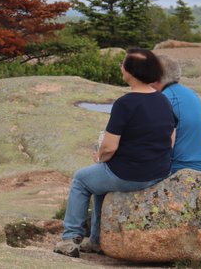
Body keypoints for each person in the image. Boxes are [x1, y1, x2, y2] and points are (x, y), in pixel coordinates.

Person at [55, 48, 176, 258]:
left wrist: (100, 159)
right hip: (158, 170)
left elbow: (110, 147)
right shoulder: (162, 99)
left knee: (81, 180)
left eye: (123, 63)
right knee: (99, 183)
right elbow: (171, 137)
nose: (121, 66)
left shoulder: (125, 103)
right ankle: (96, 240)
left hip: (130, 174)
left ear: (131, 71)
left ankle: (69, 239)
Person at [153, 54, 201, 173]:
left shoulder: (165, 99)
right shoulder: (190, 93)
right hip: (200, 165)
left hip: (179, 169)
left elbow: (156, 144)